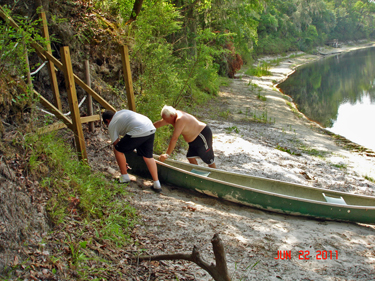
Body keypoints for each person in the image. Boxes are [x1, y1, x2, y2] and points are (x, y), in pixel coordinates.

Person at [102, 110, 162, 192]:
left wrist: (123, 162)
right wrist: (123, 161)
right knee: (148, 157)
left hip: (139, 130)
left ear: (107, 121)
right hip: (150, 127)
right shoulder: (122, 112)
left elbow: (117, 145)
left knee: (117, 150)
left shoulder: (112, 124)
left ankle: (124, 177)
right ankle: (157, 184)